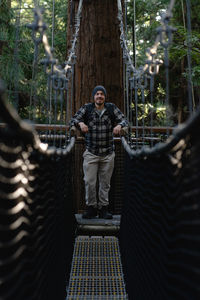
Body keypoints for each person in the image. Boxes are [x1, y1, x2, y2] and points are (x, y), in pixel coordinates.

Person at [70, 85, 128, 219]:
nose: (99, 96)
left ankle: (103, 209)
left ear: (105, 97)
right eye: (97, 94)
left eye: (102, 94)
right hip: (91, 152)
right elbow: (73, 120)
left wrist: (119, 125)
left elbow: (125, 121)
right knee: (89, 182)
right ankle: (91, 208)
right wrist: (80, 123)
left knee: (105, 183)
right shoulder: (87, 108)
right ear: (94, 96)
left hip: (108, 153)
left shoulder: (111, 108)